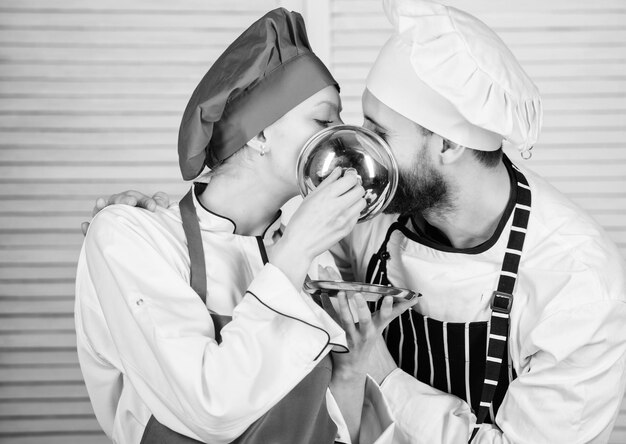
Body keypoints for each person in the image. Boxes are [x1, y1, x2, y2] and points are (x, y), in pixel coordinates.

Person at [88, 1, 626, 443]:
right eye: (335, 120)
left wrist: (382, 376)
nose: (352, 144)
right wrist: (155, 217)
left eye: (375, 129)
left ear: (447, 144)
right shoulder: (353, 225)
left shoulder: (578, 281)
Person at [75, 8, 415, 444]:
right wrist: (294, 253)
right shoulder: (131, 237)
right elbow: (208, 410)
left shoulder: (315, 263)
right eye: (323, 120)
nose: (338, 137)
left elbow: (329, 433)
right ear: (258, 133)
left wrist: (349, 373)